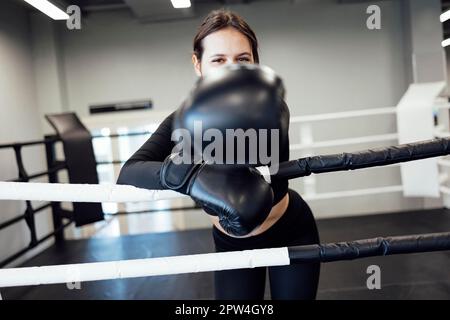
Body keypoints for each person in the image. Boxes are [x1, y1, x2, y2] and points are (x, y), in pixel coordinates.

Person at [117, 9, 320, 300]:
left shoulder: (271, 109)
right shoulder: (182, 119)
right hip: (230, 243)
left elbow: (261, 185)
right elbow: (129, 172)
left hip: (289, 232)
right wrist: (185, 176)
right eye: (218, 60)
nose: (232, 69)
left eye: (242, 59)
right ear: (198, 64)